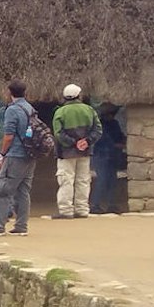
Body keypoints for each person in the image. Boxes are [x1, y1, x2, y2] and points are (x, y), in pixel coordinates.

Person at [0, 80, 39, 236]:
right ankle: (21, 226)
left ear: (10, 92)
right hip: (30, 155)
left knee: (2, 190)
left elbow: (9, 136)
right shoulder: (30, 108)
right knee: (23, 191)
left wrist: (2, 155)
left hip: (15, 155)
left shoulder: (12, 110)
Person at [52, 84, 99, 219]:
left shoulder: (60, 112)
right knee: (83, 180)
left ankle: (66, 210)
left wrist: (73, 143)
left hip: (66, 153)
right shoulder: (89, 110)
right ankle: (82, 209)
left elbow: (58, 134)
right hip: (84, 152)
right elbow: (98, 130)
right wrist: (87, 141)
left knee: (66, 180)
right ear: (79, 95)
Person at [90, 105, 127, 214]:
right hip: (101, 155)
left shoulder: (114, 123)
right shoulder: (100, 125)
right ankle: (95, 205)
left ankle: (112, 204)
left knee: (112, 180)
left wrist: (123, 140)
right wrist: (118, 145)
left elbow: (119, 136)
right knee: (102, 180)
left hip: (113, 156)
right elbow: (104, 140)